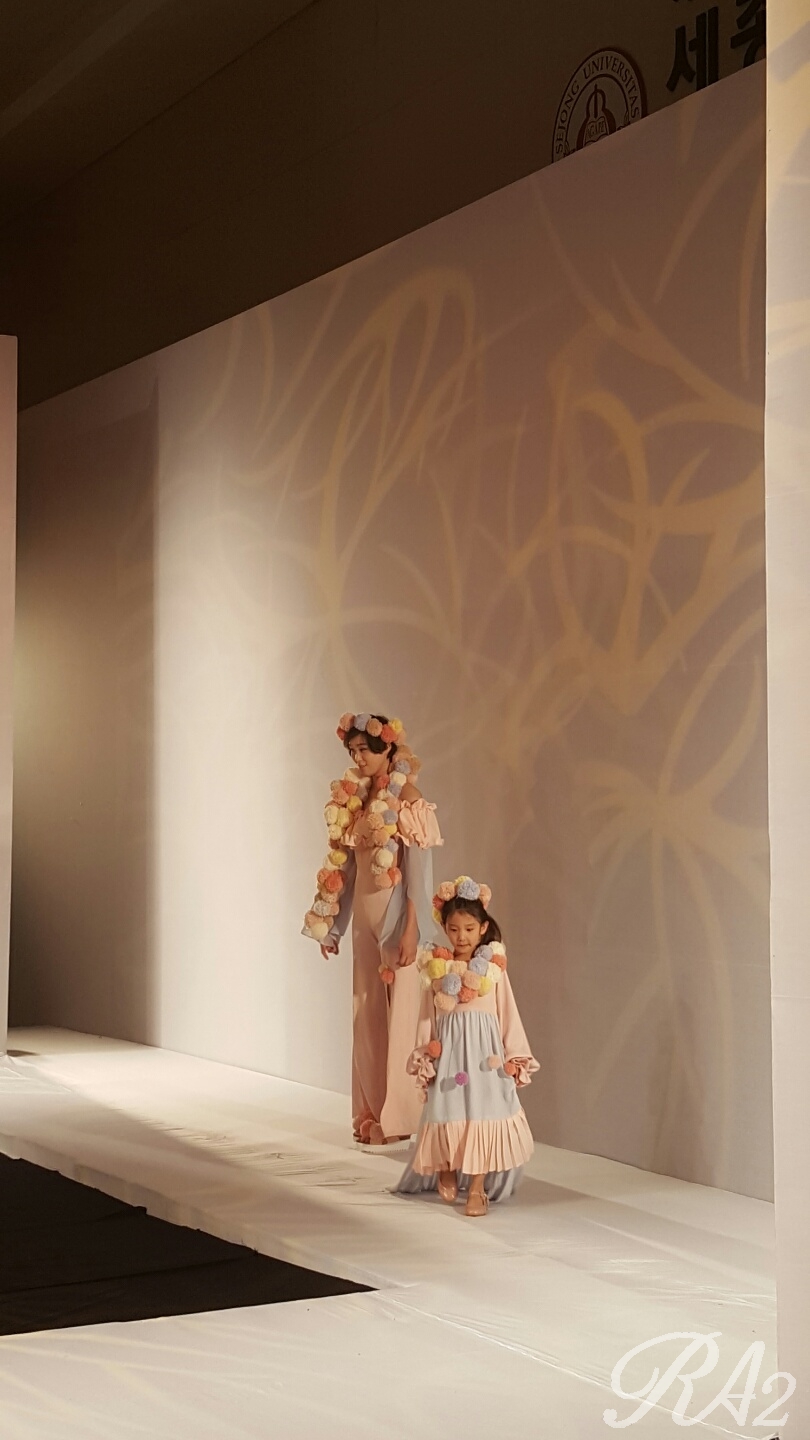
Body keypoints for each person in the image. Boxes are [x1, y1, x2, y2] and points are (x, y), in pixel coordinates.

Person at [303, 713, 443, 1146]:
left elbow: (418, 877)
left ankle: (400, 1115)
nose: (358, 758)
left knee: (403, 1020)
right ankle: (372, 1108)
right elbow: (346, 873)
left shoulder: (408, 799)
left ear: (388, 749)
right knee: (366, 1015)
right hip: (365, 926)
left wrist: (412, 930)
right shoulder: (358, 802)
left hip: (397, 923)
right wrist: (331, 928)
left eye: (365, 749)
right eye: (352, 751)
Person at [395, 877, 538, 1216]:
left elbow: (507, 1014)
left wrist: (515, 1055)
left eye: (470, 929)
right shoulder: (436, 970)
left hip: (485, 1059)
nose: (462, 937)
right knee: (448, 1109)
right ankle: (446, 1166)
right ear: (445, 928)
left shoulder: (493, 971)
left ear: (483, 928)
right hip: (450, 1057)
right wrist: (425, 1054)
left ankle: (476, 1188)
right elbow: (426, 1016)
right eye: (454, 929)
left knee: (483, 1114)